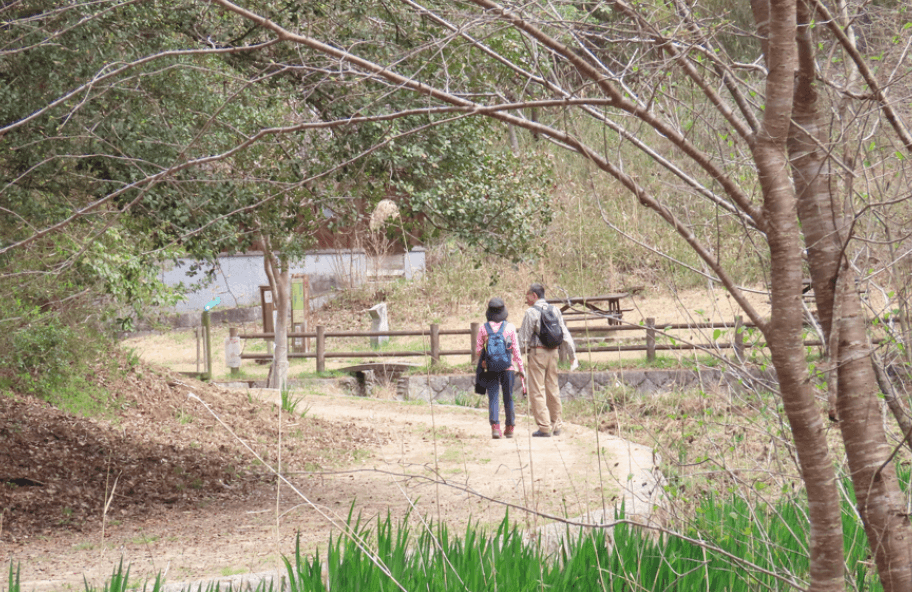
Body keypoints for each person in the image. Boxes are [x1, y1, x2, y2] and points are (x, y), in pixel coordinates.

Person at [518, 283, 576, 437]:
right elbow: (565, 334)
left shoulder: (531, 312)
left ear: (534, 295)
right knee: (553, 388)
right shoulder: (555, 310)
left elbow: (523, 338)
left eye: (528, 296)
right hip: (554, 353)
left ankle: (544, 427)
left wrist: (516, 358)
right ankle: (556, 425)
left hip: (538, 353)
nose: (527, 299)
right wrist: (572, 356)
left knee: (537, 390)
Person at [475, 297, 524, 439]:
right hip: (508, 367)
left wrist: (485, 358)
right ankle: (509, 427)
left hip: (490, 368)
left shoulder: (483, 329)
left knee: (493, 397)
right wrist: (520, 368)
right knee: (508, 397)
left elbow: (478, 350)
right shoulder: (510, 327)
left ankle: (495, 428)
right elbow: (515, 350)